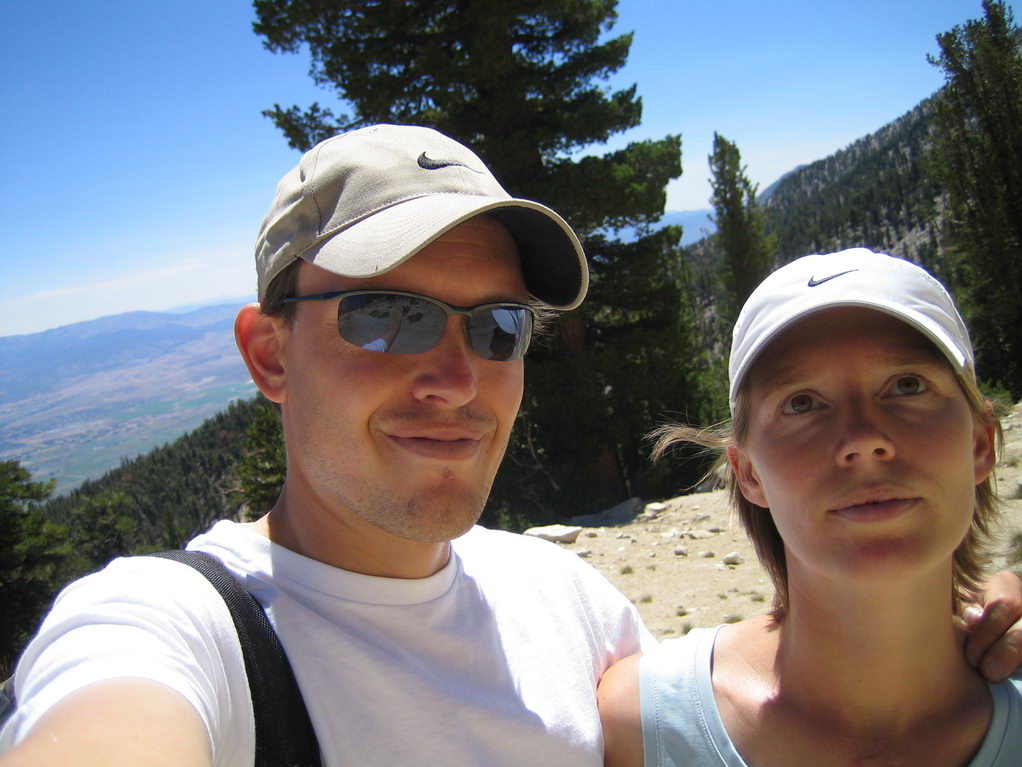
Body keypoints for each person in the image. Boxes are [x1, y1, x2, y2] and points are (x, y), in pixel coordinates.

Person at [0, 133, 1019, 767]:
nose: (456, 377)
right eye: (388, 316)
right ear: (270, 354)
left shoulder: (570, 608)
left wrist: (958, 618)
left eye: (496, 326)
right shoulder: (172, 628)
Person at [598, 249, 1022, 767]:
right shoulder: (641, 728)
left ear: (981, 443)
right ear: (748, 473)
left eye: (907, 386)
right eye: (801, 403)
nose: (863, 439)